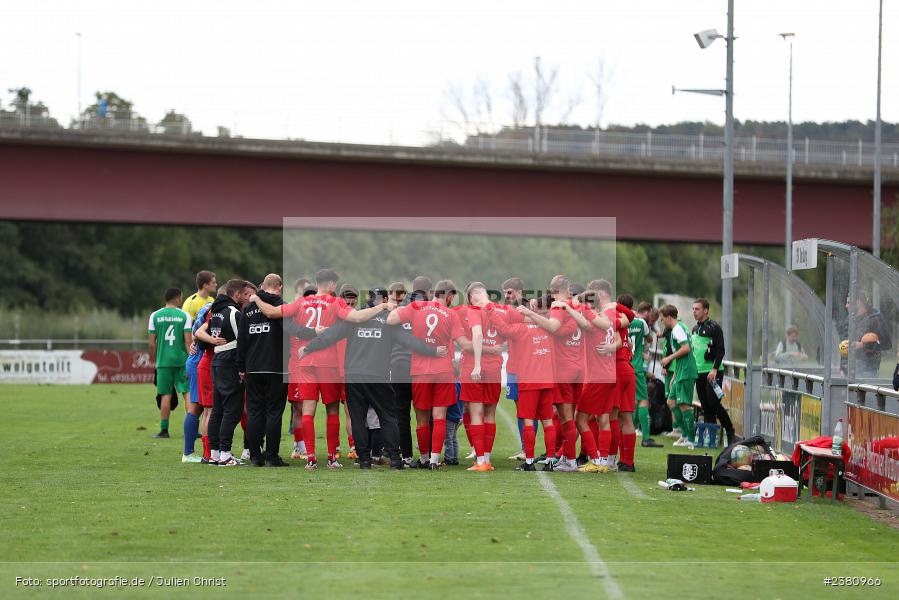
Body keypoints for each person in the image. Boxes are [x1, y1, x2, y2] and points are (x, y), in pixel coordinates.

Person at [253, 268, 389, 469]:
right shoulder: (335, 302)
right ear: (333, 284)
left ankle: (311, 458)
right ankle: (332, 459)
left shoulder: (301, 302)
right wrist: (383, 306)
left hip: (305, 362)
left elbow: (272, 312)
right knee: (332, 409)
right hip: (328, 363)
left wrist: (256, 299)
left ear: (317, 283)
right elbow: (358, 318)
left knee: (308, 411)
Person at [301, 287, 444, 469]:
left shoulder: (355, 317)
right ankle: (394, 459)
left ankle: (364, 460)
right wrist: (432, 351)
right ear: (384, 299)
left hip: (354, 375)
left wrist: (308, 348)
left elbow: (330, 335)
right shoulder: (388, 320)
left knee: (358, 418)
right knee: (388, 416)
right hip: (378, 375)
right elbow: (409, 341)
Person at [387, 279, 470, 470]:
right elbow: (464, 344)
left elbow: (391, 319)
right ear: (449, 296)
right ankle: (434, 460)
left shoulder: (417, 306)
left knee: (421, 418)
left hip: (420, 371)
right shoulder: (450, 314)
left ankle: (423, 458)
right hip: (443, 371)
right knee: (439, 416)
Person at [475, 293, 555, 471]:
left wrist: (490, 309)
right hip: (548, 380)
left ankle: (529, 462)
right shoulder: (549, 328)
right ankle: (550, 460)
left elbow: (502, 329)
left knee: (527, 421)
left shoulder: (520, 328)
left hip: (528, 381)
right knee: (548, 421)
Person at [237, 274, 293, 467]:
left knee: (254, 412)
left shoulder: (249, 308)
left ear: (263, 286)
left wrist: (241, 367)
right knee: (274, 412)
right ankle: (271, 456)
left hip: (253, 368)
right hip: (277, 367)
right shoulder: (283, 306)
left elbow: (242, 341)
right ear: (281, 287)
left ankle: (254, 455)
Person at [206, 279, 254, 466]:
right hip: (229, 362)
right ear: (235, 295)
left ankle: (214, 454)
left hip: (217, 361)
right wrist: (242, 367)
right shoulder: (233, 312)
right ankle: (225, 454)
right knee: (232, 411)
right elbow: (242, 342)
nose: (245, 298)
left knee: (217, 410)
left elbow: (213, 335)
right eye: (243, 294)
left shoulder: (215, 311)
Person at [389, 277, 427, 466]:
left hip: (397, 367)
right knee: (424, 414)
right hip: (420, 368)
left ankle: (406, 456)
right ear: (428, 291)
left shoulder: (399, 309)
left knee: (401, 415)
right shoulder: (430, 309)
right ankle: (426, 456)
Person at [148, 288, 193, 439]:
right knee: (187, 393)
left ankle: (164, 430)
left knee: (165, 395)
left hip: (163, 362)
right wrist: (192, 360)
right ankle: (192, 429)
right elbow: (188, 341)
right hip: (182, 361)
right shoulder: (184, 316)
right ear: (177, 298)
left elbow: (152, 344)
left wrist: (154, 360)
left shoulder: (155, 316)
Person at [691, 298, 736, 445]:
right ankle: (711, 438)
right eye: (693, 309)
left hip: (712, 372)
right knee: (705, 405)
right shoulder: (695, 329)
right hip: (699, 372)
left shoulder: (714, 328)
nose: (694, 312)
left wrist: (715, 369)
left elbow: (720, 350)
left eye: (697, 309)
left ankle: (730, 430)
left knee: (713, 402)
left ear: (706, 310)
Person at [660, 304, 697, 449]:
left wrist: (669, 358)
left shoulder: (677, 329)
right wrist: (675, 374)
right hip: (681, 370)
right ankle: (684, 434)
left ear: (669, 317)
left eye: (662, 319)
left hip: (687, 370)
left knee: (683, 404)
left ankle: (691, 439)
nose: (662, 322)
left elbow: (686, 349)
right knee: (671, 401)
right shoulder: (680, 328)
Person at [629, 300, 662, 448]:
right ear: (647, 312)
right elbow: (649, 338)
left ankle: (631, 431)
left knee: (633, 401)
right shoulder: (641, 323)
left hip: (625, 366)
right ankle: (646, 438)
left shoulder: (624, 321)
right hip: (638, 366)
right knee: (643, 400)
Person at [841, 290, 891, 378]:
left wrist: (863, 345)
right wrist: (843, 366)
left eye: (849, 302)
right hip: (849, 371)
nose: (846, 306)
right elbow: (845, 345)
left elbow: (887, 344)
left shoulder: (876, 319)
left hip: (868, 371)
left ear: (858, 302)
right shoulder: (848, 320)